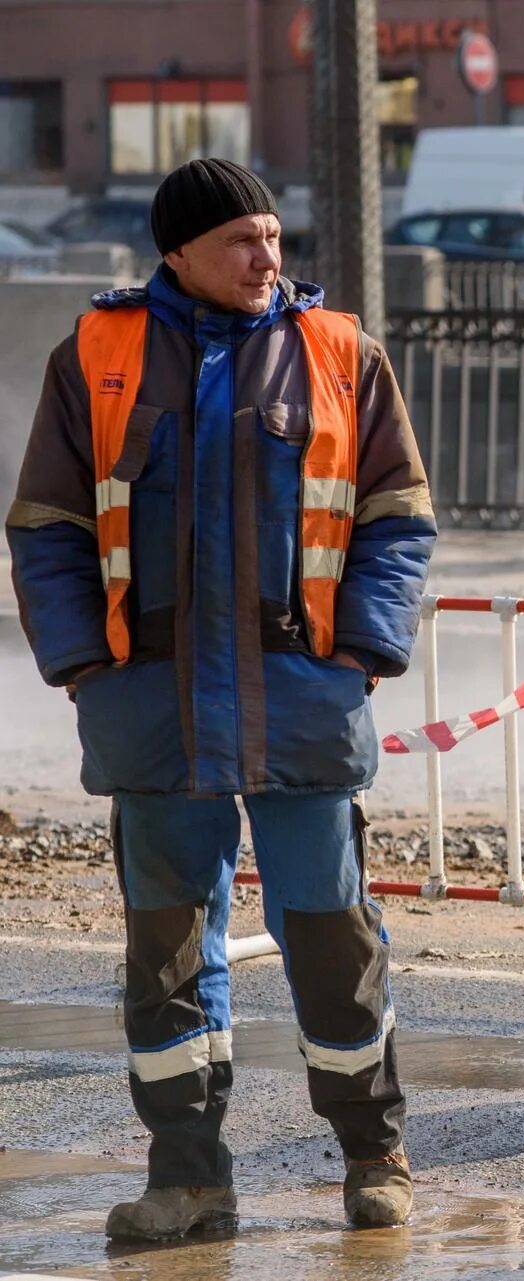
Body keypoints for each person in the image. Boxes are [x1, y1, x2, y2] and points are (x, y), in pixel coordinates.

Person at [6, 159, 435, 1233]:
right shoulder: (95, 357)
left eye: (275, 239)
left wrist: (366, 650)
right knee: (165, 952)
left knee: (330, 938)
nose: (267, 260)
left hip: (302, 703)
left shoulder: (340, 354)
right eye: (243, 241)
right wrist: (83, 668)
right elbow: (47, 529)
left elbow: (397, 516)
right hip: (150, 712)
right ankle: (186, 1178)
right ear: (178, 253)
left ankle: (373, 1155)